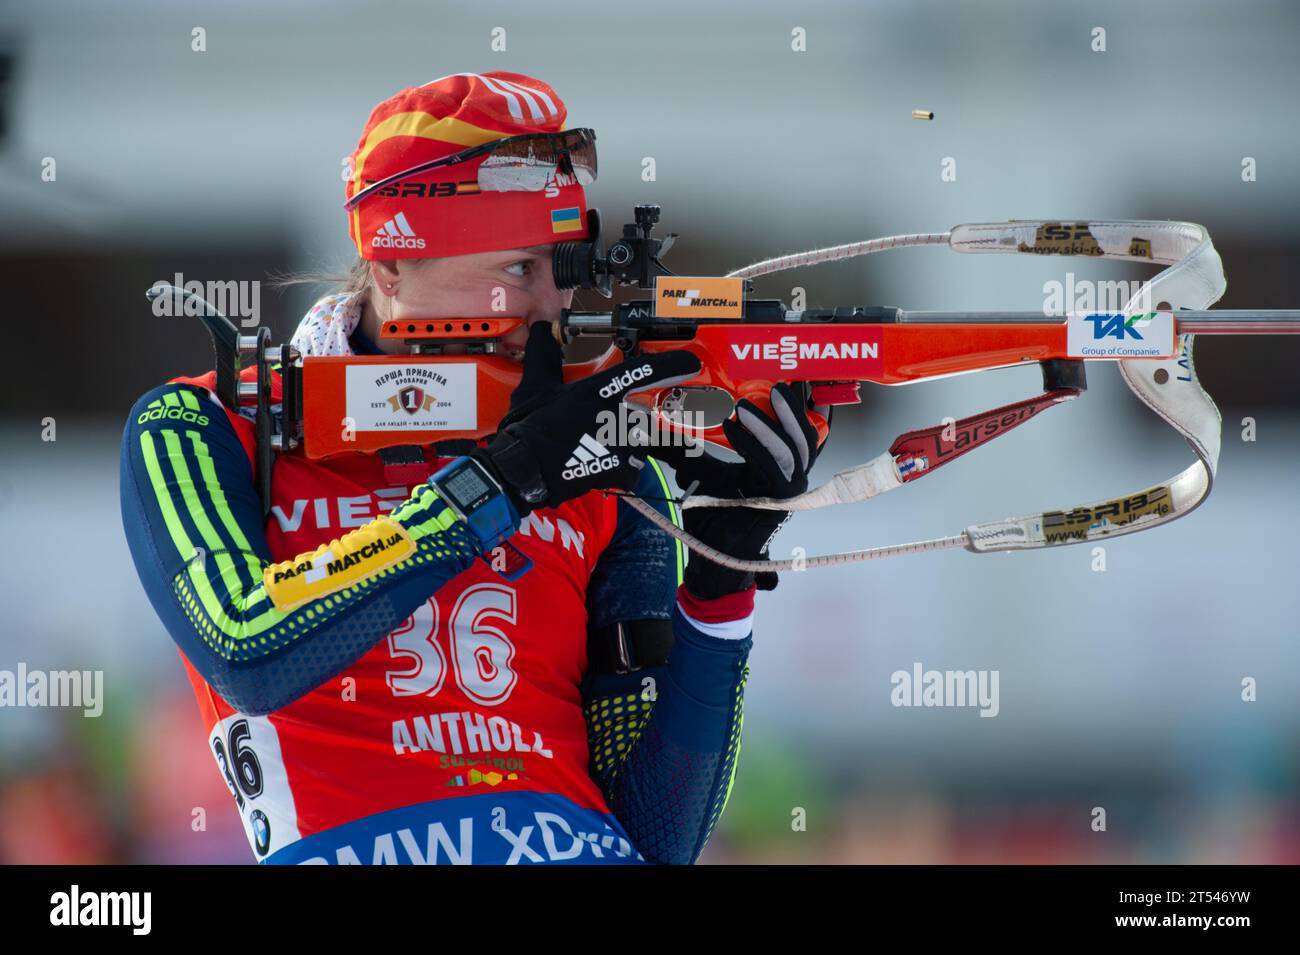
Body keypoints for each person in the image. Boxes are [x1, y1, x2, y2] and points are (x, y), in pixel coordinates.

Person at [119, 71, 823, 865]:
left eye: (559, 269)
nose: (550, 307)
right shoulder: (207, 426)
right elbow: (245, 644)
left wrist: (721, 588)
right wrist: (495, 487)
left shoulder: (602, 462)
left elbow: (660, 833)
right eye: (520, 269)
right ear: (390, 269)